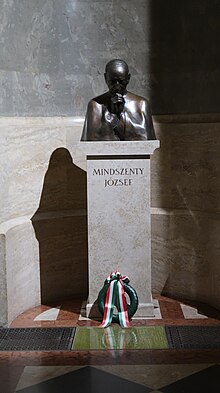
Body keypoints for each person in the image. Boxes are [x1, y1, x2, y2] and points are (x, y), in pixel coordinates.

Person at [81, 59, 156, 141]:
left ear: (128, 78)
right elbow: (91, 141)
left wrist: (120, 116)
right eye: (113, 81)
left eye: (121, 81)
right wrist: (111, 115)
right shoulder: (95, 105)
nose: (117, 86)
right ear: (106, 78)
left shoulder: (141, 104)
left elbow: (146, 139)